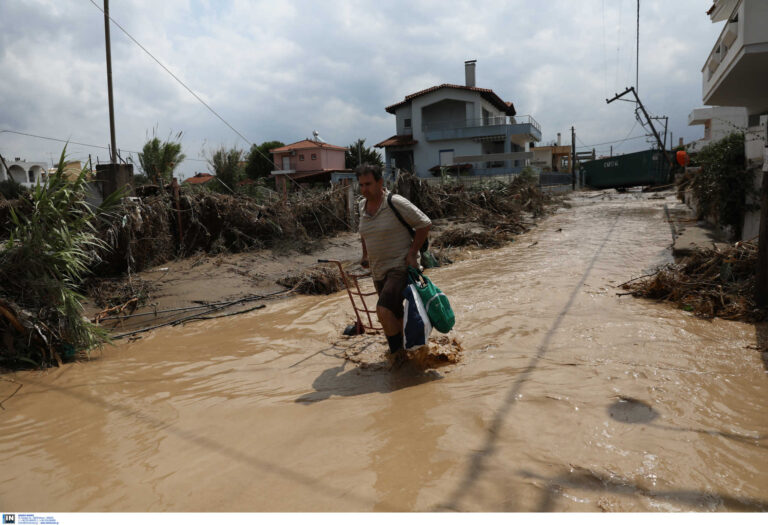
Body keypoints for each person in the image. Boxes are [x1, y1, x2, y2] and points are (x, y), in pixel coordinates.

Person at [356, 164, 431, 364]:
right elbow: (364, 232)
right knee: (395, 314)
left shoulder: (394, 202)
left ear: (380, 182)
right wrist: (365, 255)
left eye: (369, 184)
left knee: (383, 310)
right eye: (361, 185)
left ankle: (397, 358)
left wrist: (413, 254)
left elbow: (424, 223)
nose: (365, 189)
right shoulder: (362, 206)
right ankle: (412, 351)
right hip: (378, 269)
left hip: (400, 266)